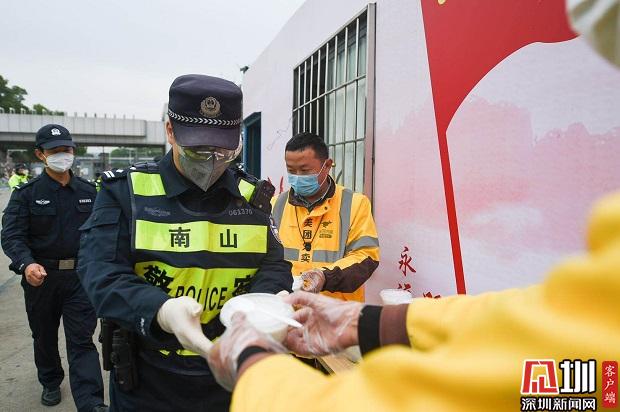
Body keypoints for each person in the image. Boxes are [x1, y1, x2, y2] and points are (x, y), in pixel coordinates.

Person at [206, 191, 620, 411]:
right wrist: (371, 323)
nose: (298, 177)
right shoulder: (592, 371)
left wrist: (253, 362)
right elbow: (546, 324)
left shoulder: (593, 377)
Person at [77, 74, 292, 412]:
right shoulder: (127, 193)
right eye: (197, 149)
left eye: (223, 151)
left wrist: (263, 306)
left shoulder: (253, 197)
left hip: (232, 373)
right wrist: (160, 310)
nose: (210, 160)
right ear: (170, 131)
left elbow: (274, 265)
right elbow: (100, 272)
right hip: (150, 376)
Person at [1, 124, 107, 412]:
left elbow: (101, 233)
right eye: (55, 150)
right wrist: (26, 263)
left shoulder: (89, 191)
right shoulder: (26, 194)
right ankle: (50, 380)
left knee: (81, 340)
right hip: (41, 278)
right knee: (44, 336)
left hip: (80, 278)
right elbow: (12, 235)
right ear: (40, 154)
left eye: (67, 149)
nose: (63, 155)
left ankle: (92, 402)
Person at [271, 132, 380, 301]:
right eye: (291, 171)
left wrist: (325, 277)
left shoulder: (355, 204)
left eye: (305, 170)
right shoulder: (275, 205)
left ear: (327, 165)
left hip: (336, 311)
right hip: (287, 307)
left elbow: (366, 256)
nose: (297, 177)